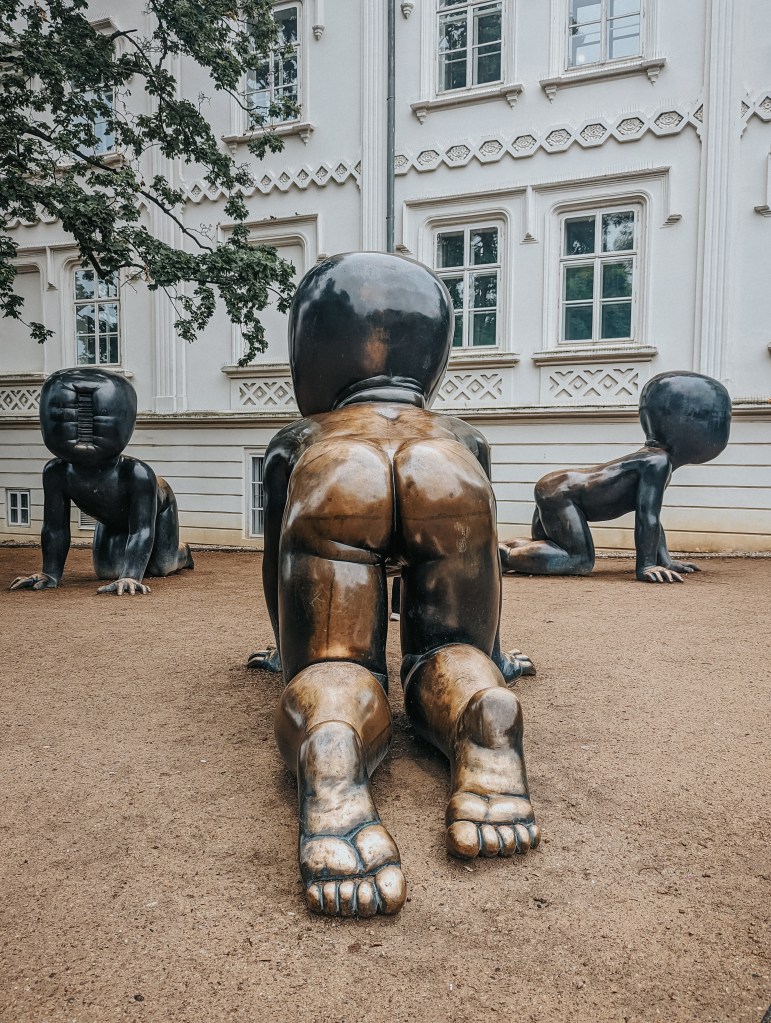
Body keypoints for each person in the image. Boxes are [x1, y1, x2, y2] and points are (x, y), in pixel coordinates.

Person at [254, 252, 540, 918]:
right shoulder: (463, 434)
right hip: (445, 473)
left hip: (338, 472)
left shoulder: (298, 436)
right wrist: (493, 654)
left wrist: (286, 653)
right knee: (450, 651)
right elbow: (489, 567)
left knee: (332, 665)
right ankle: (479, 702)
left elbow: (275, 566)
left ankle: (332, 734)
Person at [499, 371, 731, 583]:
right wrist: (646, 565)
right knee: (578, 560)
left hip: (558, 487)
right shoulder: (656, 463)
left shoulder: (655, 459)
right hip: (563, 494)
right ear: (689, 422)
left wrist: (665, 561)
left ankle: (504, 549)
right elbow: (647, 518)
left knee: (553, 547)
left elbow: (652, 519)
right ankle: (503, 556)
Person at [10, 368, 193, 596]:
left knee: (161, 566)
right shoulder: (56, 472)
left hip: (158, 512)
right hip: (110, 517)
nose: (80, 419)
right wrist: (50, 574)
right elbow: (55, 527)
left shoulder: (137, 474)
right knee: (107, 571)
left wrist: (130, 576)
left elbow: (142, 530)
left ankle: (183, 552)